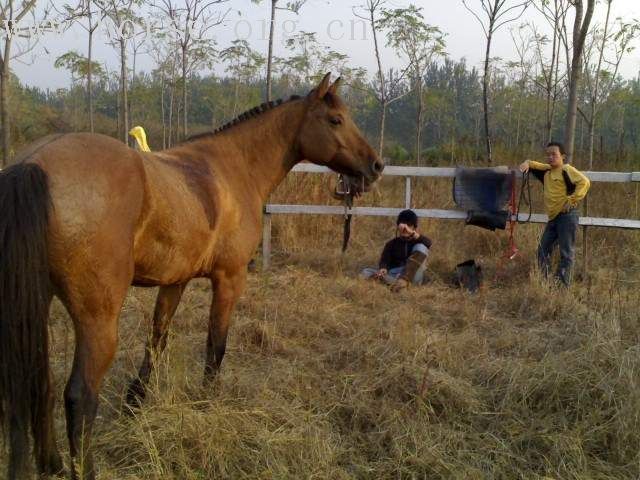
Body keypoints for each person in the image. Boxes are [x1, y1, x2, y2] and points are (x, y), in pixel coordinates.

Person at [520, 141, 591, 286]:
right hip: (553, 218)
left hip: (567, 216)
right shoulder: (547, 171)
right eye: (548, 155)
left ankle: (562, 287)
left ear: (563, 156)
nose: (550, 157)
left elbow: (585, 182)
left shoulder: (567, 170)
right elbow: (533, 164)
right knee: (542, 250)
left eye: (554, 154)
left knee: (566, 253)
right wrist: (527, 163)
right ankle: (544, 283)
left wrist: (572, 199)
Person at [361, 209, 432, 291]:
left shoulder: (419, 240)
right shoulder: (391, 244)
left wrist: (411, 233)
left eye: (409, 225)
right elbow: (384, 261)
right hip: (397, 274)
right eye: (403, 225)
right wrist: (383, 268)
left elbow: (429, 243)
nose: (405, 228)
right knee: (365, 272)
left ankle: (402, 282)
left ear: (414, 227)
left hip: (413, 275)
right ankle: (399, 285)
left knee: (421, 247)